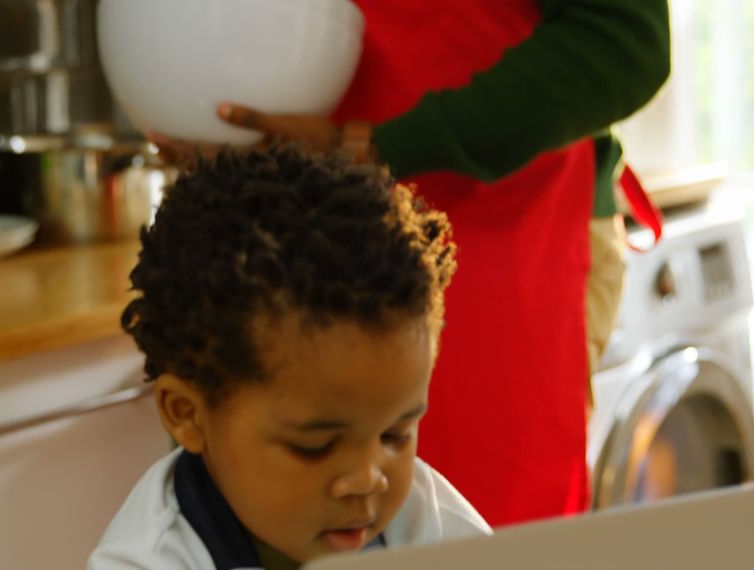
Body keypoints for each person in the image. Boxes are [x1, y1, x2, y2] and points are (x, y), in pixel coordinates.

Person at [152, 0, 672, 526]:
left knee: (490, 529)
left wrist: (371, 146)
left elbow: (626, 41)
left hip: (504, 237)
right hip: (306, 244)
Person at [88, 147, 489, 569]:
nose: (368, 477)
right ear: (188, 413)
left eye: (395, 435)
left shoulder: (428, 520)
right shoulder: (148, 561)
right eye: (314, 446)